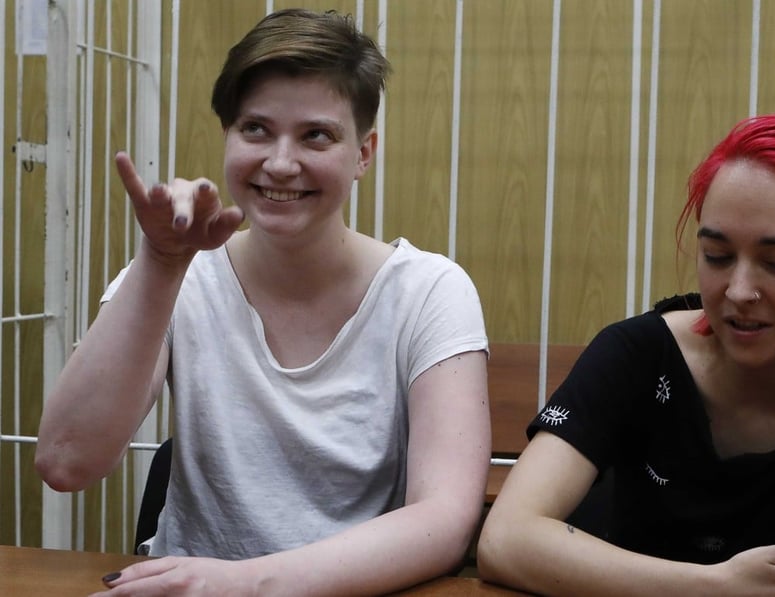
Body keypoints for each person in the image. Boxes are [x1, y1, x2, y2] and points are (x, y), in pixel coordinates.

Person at [35, 9, 491, 596]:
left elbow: (444, 522)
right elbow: (65, 462)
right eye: (255, 129)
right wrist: (161, 262)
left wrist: (246, 584)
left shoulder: (430, 291)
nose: (280, 162)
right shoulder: (176, 272)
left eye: (316, 135)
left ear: (364, 153)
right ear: (227, 134)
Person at [476, 113, 775, 596]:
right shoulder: (640, 352)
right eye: (718, 256)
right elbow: (507, 539)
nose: (740, 290)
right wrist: (715, 589)